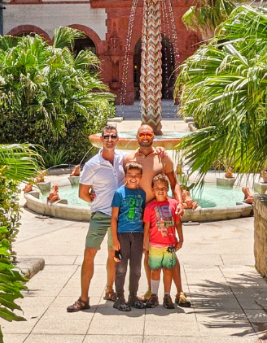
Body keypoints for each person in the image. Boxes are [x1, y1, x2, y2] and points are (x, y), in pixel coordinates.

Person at [131, 124, 192, 306]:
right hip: (141, 214)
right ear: (137, 136)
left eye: (149, 133)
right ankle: (152, 291)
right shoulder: (129, 158)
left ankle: (179, 292)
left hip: (163, 214)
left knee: (171, 254)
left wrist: (180, 202)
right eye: (142, 133)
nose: (145, 136)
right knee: (148, 254)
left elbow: (174, 183)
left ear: (153, 137)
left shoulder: (163, 157)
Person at [68, 124, 125, 312]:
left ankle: (109, 290)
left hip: (118, 216)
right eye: (106, 136)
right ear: (102, 139)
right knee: (89, 253)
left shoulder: (121, 159)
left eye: (113, 136)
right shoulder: (92, 164)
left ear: (117, 139)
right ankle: (83, 298)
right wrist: (94, 199)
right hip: (100, 215)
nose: (110, 139)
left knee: (112, 254)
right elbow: (82, 193)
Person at [110, 160, 147, 311]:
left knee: (136, 269)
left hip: (137, 235)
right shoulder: (119, 193)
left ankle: (133, 297)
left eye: (137, 175)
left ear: (141, 177)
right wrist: (114, 239)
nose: (133, 178)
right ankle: (120, 298)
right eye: (130, 175)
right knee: (120, 268)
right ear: (125, 176)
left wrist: (145, 240)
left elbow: (144, 216)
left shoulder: (142, 194)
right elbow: (114, 217)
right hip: (122, 235)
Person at [143, 174, 183, 308]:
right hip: (155, 244)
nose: (160, 190)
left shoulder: (174, 204)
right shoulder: (149, 207)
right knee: (155, 270)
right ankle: (154, 295)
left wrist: (181, 239)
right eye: (157, 188)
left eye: (164, 188)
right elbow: (147, 227)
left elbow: (178, 223)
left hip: (170, 245)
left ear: (168, 189)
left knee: (168, 270)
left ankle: (167, 295)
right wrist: (145, 244)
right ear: (153, 189)